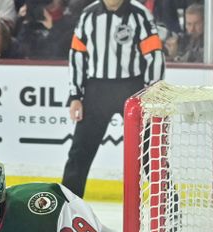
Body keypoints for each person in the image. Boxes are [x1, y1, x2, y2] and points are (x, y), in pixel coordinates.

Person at [61, 0, 164, 198]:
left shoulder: (139, 14)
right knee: (79, 154)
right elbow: (77, 56)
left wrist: (151, 91)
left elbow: (154, 55)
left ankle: (169, 210)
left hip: (133, 90)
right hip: (96, 90)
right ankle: (66, 209)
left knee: (150, 154)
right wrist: (75, 95)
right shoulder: (88, 14)